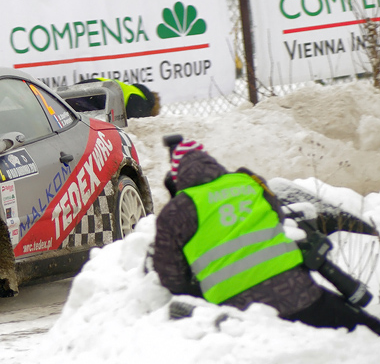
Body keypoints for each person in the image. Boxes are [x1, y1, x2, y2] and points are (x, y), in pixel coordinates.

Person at [153, 139, 380, 335]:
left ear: (176, 177)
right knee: (361, 331)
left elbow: (172, 278)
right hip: (295, 290)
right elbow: (278, 218)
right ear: (210, 161)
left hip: (235, 310)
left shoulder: (175, 211)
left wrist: (200, 286)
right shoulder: (248, 182)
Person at [69, 78, 160, 118]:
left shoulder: (132, 90)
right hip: (93, 96)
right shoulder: (140, 103)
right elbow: (132, 124)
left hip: (79, 92)